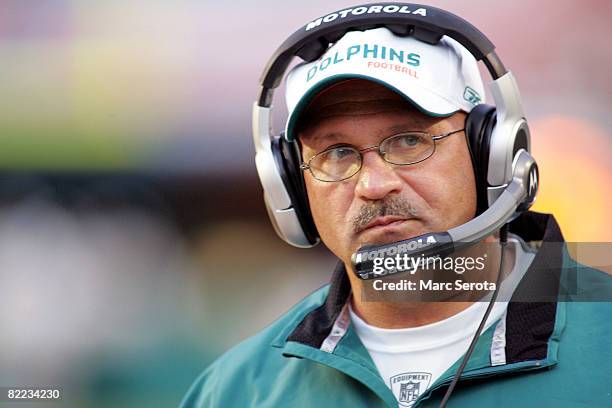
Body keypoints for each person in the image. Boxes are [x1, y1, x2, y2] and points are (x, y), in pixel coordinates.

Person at [181, 5, 612, 407]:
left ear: (494, 154)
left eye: (410, 141)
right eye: (337, 153)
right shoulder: (233, 391)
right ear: (290, 184)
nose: (373, 184)